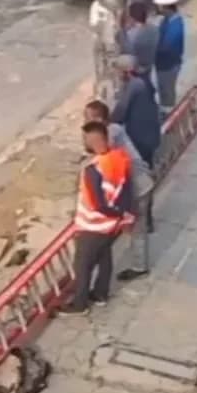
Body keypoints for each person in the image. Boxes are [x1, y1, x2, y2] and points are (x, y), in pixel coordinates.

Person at [58, 122, 135, 316]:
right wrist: (123, 215)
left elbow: (97, 204)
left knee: (82, 265)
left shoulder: (92, 170)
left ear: (90, 142)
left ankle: (79, 304)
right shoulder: (120, 158)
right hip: (112, 225)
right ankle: (100, 294)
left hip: (93, 225)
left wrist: (115, 214)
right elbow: (126, 190)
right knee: (104, 256)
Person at [85, 100, 154, 281]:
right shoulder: (115, 128)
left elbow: (103, 156)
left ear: (99, 118)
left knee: (136, 228)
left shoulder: (110, 135)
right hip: (143, 182)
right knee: (138, 223)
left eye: (89, 119)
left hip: (137, 188)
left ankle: (140, 267)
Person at [110, 54, 160, 231]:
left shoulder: (133, 87)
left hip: (140, 140)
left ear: (126, 72)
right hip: (151, 136)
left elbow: (120, 113)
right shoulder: (144, 82)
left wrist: (106, 124)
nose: (118, 75)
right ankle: (147, 219)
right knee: (147, 173)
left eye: (119, 72)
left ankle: (141, 219)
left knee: (137, 178)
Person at [153, 0, 185, 115]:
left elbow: (165, 48)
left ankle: (168, 114)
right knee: (163, 89)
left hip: (169, 65)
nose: (157, 7)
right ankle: (165, 109)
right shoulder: (167, 20)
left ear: (165, 6)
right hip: (163, 64)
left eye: (159, 5)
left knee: (166, 90)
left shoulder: (175, 26)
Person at [117, 0, 159, 94]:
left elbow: (125, 52)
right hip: (148, 65)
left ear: (132, 18)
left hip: (137, 69)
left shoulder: (131, 36)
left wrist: (121, 29)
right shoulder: (155, 30)